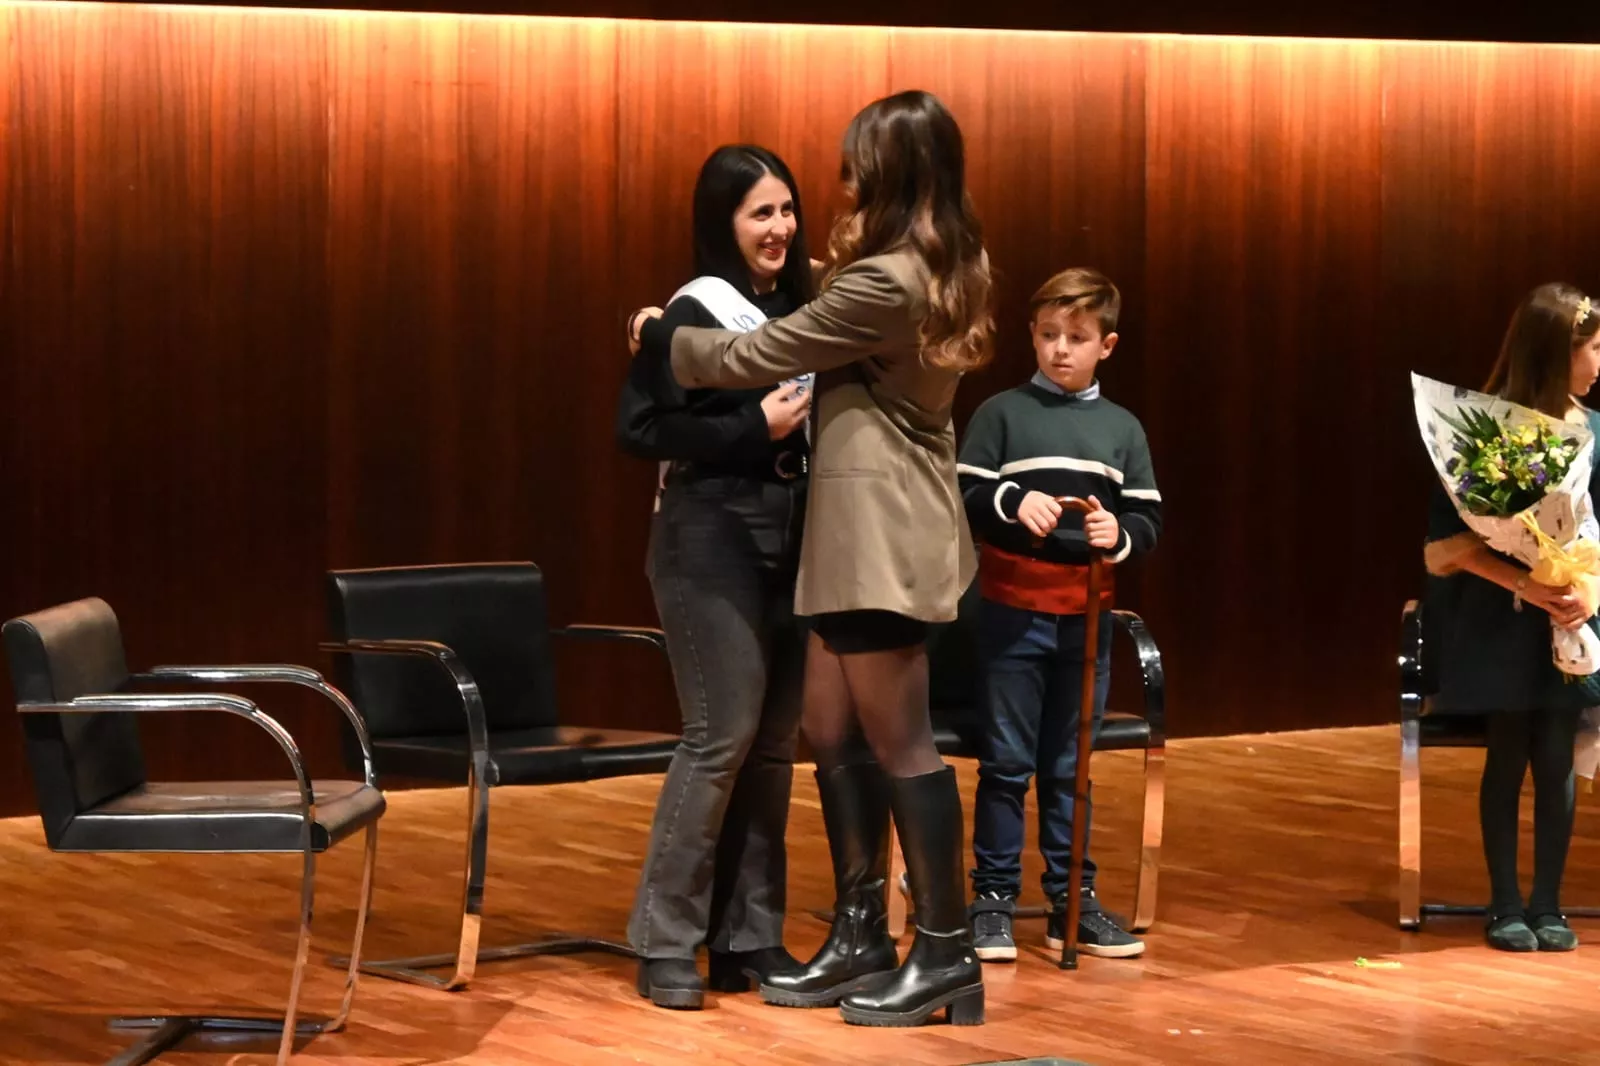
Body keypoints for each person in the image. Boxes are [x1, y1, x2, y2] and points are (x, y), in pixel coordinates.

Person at [629, 89, 995, 1027]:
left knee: (897, 741)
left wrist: (664, 339)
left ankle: (945, 954)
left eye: (851, 168)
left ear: (891, 173)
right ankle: (862, 933)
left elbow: (769, 349)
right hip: (845, 534)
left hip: (875, 531)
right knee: (828, 733)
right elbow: (829, 296)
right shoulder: (934, 262)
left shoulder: (886, 284)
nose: (834, 188)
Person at [617, 144, 817, 1010]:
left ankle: (749, 938)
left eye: (785, 210)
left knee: (773, 746)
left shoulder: (811, 306)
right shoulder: (693, 312)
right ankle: (666, 942)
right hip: (710, 529)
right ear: (722, 224)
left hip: (801, 528)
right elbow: (640, 430)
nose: (778, 229)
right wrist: (750, 431)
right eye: (758, 214)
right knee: (720, 733)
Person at [955, 268, 1160, 963]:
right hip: (1014, 612)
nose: (1060, 351)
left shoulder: (1121, 428)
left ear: (1107, 344)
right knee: (1007, 763)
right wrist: (1012, 502)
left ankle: (1074, 898)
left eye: (1076, 338)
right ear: (1031, 337)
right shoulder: (1001, 414)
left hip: (1088, 620)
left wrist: (1121, 534)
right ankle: (993, 900)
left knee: (1071, 768)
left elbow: (1147, 516)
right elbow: (966, 493)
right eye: (1048, 336)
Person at [1423, 282, 1600, 952]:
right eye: (1594, 348)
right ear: (1561, 352)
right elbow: (1451, 541)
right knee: (1507, 755)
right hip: (1503, 619)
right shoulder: (1485, 433)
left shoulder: (1595, 431)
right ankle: (1504, 903)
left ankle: (1549, 903)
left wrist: (1586, 591)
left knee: (1556, 757)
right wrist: (1526, 583)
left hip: (1568, 617)